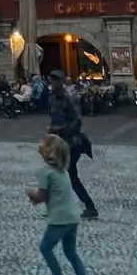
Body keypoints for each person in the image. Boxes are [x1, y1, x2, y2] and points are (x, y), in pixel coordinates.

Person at [30, 132, 91, 275]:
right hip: (73, 217)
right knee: (71, 252)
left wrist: (33, 196)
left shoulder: (45, 172)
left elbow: (42, 196)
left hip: (59, 219)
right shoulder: (63, 172)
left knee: (45, 248)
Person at [46, 68, 98, 221]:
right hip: (59, 143)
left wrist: (60, 130)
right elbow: (55, 117)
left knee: (71, 177)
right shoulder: (52, 98)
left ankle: (90, 207)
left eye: (57, 79)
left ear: (63, 81)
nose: (54, 82)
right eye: (52, 79)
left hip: (72, 144)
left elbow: (77, 122)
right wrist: (52, 130)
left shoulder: (69, 98)